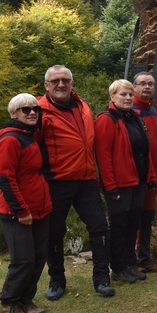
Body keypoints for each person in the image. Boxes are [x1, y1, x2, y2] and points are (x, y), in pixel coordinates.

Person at [38, 65, 114, 299]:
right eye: (55, 81)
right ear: (46, 85)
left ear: (72, 83)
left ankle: (102, 279)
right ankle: (57, 281)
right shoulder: (39, 110)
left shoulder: (83, 106)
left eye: (65, 80)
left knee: (100, 228)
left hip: (86, 180)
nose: (61, 84)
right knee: (54, 233)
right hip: (56, 181)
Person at [0, 94, 52, 313]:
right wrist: (21, 210)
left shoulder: (29, 136)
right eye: (25, 109)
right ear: (13, 113)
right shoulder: (9, 139)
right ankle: (8, 301)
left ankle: (25, 299)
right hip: (17, 212)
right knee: (23, 259)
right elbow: (5, 178)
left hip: (40, 209)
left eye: (35, 108)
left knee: (38, 257)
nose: (32, 112)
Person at [95, 80, 152, 284]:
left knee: (132, 225)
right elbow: (103, 157)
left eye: (129, 94)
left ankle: (130, 264)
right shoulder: (106, 120)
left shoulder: (134, 118)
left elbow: (145, 151)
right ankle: (118, 268)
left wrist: (149, 177)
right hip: (119, 184)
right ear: (112, 96)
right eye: (122, 94)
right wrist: (111, 187)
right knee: (119, 227)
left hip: (137, 181)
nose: (127, 98)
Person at [131, 72, 157, 273]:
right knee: (133, 219)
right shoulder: (130, 111)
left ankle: (144, 258)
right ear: (134, 87)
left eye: (150, 84)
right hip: (135, 176)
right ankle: (130, 260)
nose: (147, 87)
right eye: (142, 84)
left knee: (147, 217)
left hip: (151, 175)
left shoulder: (153, 112)